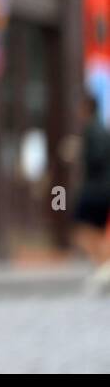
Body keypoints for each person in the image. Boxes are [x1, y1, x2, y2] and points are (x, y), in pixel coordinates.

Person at [72, 91, 110, 293]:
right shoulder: (101, 128)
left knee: (84, 230)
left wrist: (78, 151)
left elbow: (96, 158)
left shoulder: (92, 130)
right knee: (93, 232)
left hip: (97, 189)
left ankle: (105, 266)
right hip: (101, 188)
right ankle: (103, 267)